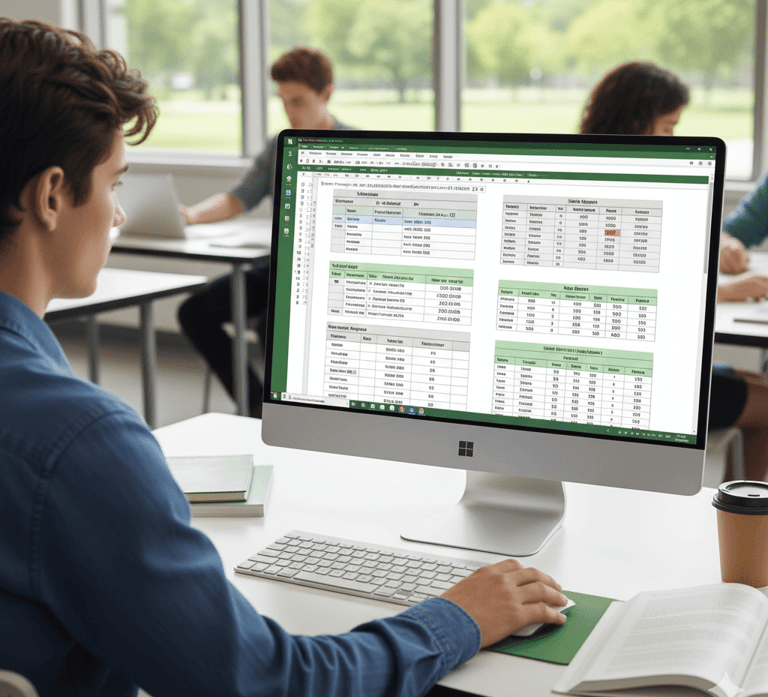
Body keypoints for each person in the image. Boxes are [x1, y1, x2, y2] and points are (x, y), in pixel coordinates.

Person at [0, 18, 569, 696]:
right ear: (53, 194)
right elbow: (268, 682)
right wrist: (458, 617)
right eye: (116, 183)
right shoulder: (77, 445)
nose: (118, 216)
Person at [580, 60, 768, 481]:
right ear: (636, 121)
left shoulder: (602, 173)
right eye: (668, 127)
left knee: (754, 378)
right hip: (634, 384)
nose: (673, 139)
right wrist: (727, 292)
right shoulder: (622, 189)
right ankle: (751, 530)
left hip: (628, 370)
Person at [177, 47, 353, 418]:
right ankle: (257, 403)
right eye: (284, 101)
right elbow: (238, 198)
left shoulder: (356, 145)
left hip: (337, 278)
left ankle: (301, 411)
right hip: (280, 271)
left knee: (275, 318)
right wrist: (190, 216)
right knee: (194, 312)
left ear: (327, 95)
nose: (290, 111)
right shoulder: (279, 145)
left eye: (299, 101)